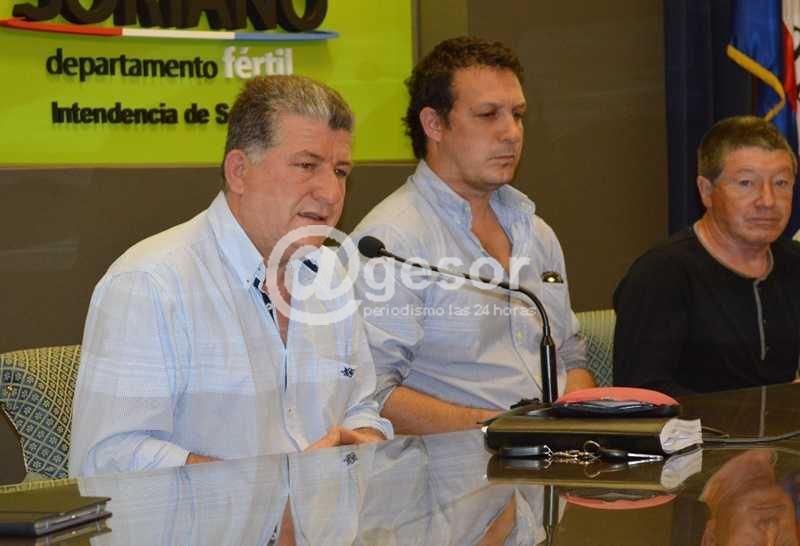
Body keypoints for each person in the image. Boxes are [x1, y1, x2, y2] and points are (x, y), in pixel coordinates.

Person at [69, 75, 392, 477]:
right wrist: (271, 486)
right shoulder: (150, 283)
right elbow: (109, 458)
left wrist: (365, 439)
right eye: (306, 165)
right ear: (239, 171)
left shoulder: (329, 272)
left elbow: (361, 406)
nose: (331, 192)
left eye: (341, 171)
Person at [345, 37, 595, 435]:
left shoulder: (535, 231)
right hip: (453, 465)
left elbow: (571, 356)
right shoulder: (391, 242)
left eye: (517, 114)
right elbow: (370, 394)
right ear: (434, 124)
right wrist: (506, 431)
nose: (511, 133)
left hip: (555, 457)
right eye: (488, 114)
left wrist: (576, 428)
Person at [614, 115, 800, 396]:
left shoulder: (794, 263)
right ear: (707, 191)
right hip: (697, 425)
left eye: (781, 183)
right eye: (746, 183)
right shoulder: (662, 274)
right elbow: (642, 394)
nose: (767, 200)